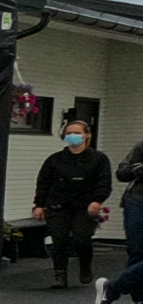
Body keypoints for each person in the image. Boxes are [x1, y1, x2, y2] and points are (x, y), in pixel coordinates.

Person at [33, 121, 112, 288]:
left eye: (76, 133)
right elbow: (43, 183)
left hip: (85, 206)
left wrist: (97, 201)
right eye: (69, 133)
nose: (72, 136)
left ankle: (85, 264)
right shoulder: (55, 160)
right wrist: (39, 205)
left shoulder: (98, 159)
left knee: (81, 238)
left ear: (86, 135)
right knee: (59, 239)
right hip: (58, 205)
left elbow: (104, 182)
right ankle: (60, 274)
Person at [97, 136, 143, 304]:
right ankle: (140, 301)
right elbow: (122, 172)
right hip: (138, 202)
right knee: (138, 252)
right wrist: (138, 170)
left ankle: (113, 288)